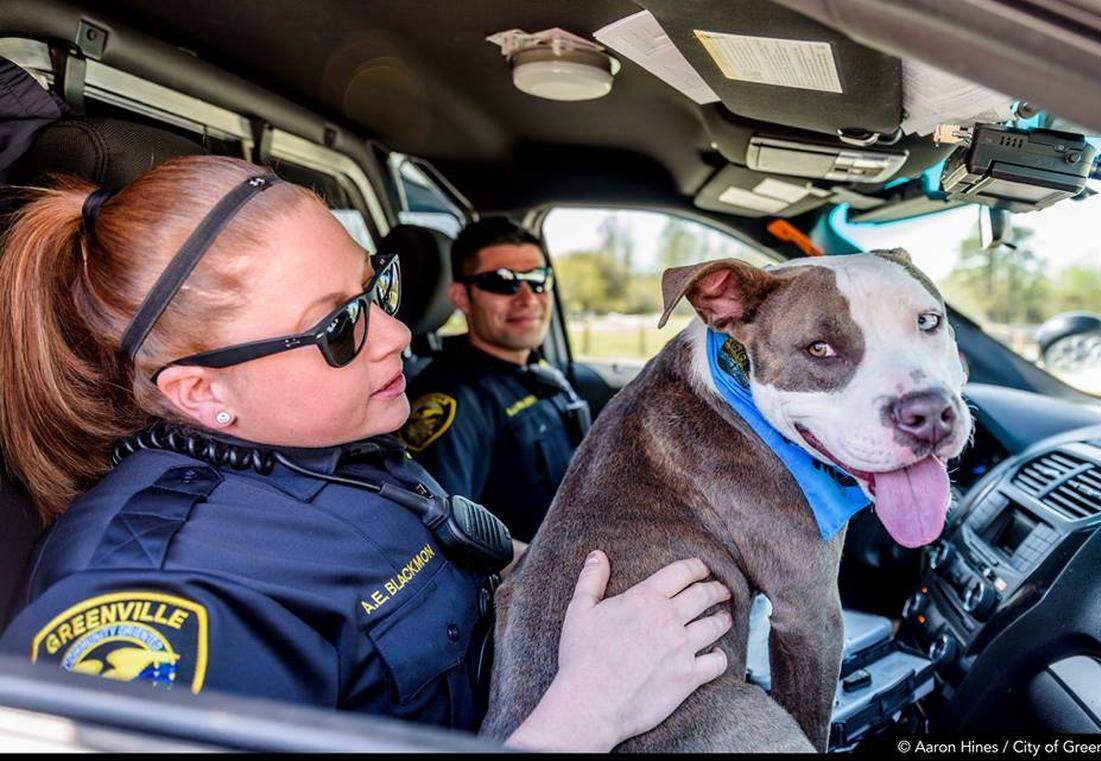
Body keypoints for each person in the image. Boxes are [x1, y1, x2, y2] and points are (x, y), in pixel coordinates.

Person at [0, 156, 732, 750]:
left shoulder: (334, 444)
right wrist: (585, 715)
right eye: (339, 328)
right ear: (198, 392)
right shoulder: (152, 596)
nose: (397, 336)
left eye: (377, 285)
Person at [400, 218, 587, 542]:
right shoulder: (452, 399)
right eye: (503, 281)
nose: (528, 298)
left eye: (539, 279)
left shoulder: (537, 370)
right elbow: (448, 536)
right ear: (461, 297)